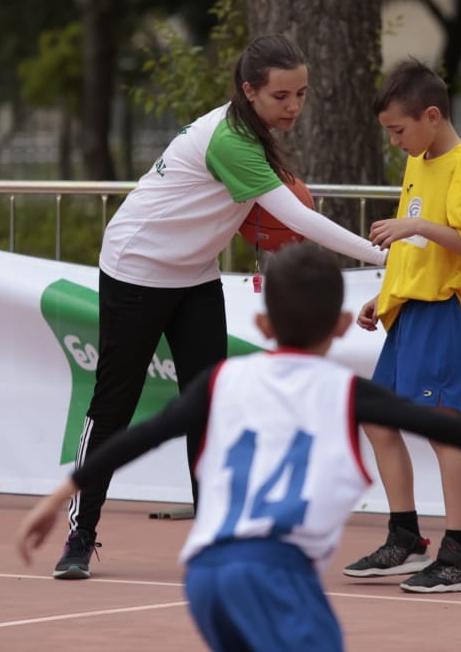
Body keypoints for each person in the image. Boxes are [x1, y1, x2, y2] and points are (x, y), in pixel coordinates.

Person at [17, 242, 461, 650]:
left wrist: (60, 493)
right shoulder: (346, 392)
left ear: (264, 324)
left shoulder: (221, 382)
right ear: (341, 326)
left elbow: (136, 438)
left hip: (206, 575)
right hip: (278, 573)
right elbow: (448, 427)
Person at [54, 33, 389, 579]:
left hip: (193, 275)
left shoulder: (252, 135)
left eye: (301, 94)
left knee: (209, 404)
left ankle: (213, 538)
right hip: (136, 268)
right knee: (115, 404)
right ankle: (79, 533)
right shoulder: (230, 140)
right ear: (249, 91)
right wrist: (382, 254)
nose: (294, 106)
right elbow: (299, 220)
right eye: (281, 96)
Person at [340, 59, 461, 594]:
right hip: (410, 311)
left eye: (398, 131)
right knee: (377, 420)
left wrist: (417, 224)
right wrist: (385, 297)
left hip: (447, 311)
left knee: (441, 428)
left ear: (432, 115)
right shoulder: (420, 158)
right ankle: (405, 536)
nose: (395, 142)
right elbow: (415, 249)